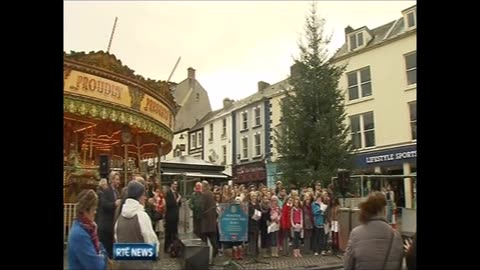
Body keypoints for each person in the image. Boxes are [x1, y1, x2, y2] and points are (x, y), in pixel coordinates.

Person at [344, 192, 404, 270]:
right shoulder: (396, 235)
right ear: (384, 210)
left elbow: (348, 265)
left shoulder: (356, 233)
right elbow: (399, 264)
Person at [114, 180, 159, 270]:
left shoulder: (120, 218)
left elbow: (117, 241)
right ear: (139, 196)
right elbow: (151, 243)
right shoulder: (142, 216)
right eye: (143, 195)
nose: (145, 198)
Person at [67, 189, 108, 270]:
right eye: (93, 209)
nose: (95, 212)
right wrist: (103, 256)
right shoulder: (80, 234)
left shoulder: (87, 229)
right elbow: (96, 266)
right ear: (85, 211)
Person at [97, 171, 121, 259]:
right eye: (117, 179)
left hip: (112, 226)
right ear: (111, 180)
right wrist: (114, 204)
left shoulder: (117, 192)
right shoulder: (106, 191)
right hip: (105, 226)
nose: (119, 181)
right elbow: (104, 205)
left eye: (119, 179)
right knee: (105, 251)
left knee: (111, 252)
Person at [164, 181, 181, 253]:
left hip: (175, 215)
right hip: (170, 216)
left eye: (176, 184)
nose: (175, 186)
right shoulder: (168, 193)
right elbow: (170, 204)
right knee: (168, 233)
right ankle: (166, 247)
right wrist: (178, 199)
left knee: (174, 233)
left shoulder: (176, 193)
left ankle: (174, 247)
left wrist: (178, 201)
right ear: (171, 185)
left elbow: (179, 204)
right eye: (174, 184)